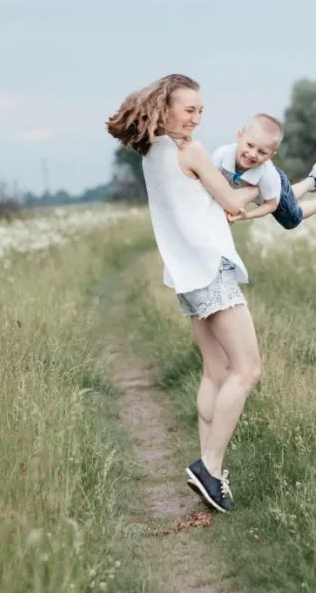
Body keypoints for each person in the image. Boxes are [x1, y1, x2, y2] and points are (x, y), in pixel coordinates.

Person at [106, 73, 261, 513]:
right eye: (189, 109)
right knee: (247, 370)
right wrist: (269, 187)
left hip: (186, 276)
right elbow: (233, 203)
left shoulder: (152, 153)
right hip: (210, 273)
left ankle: (210, 479)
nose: (197, 117)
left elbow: (200, 203)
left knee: (215, 371)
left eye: (201, 110)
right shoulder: (187, 150)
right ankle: (210, 466)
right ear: (166, 109)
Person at [211, 113, 316, 227]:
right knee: (286, 196)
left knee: (291, 219)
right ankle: (315, 181)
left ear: (271, 155)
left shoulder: (268, 174)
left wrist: (246, 215)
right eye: (250, 145)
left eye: (262, 152)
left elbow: (271, 205)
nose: (252, 154)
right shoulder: (220, 156)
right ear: (240, 135)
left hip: (274, 184)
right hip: (270, 189)